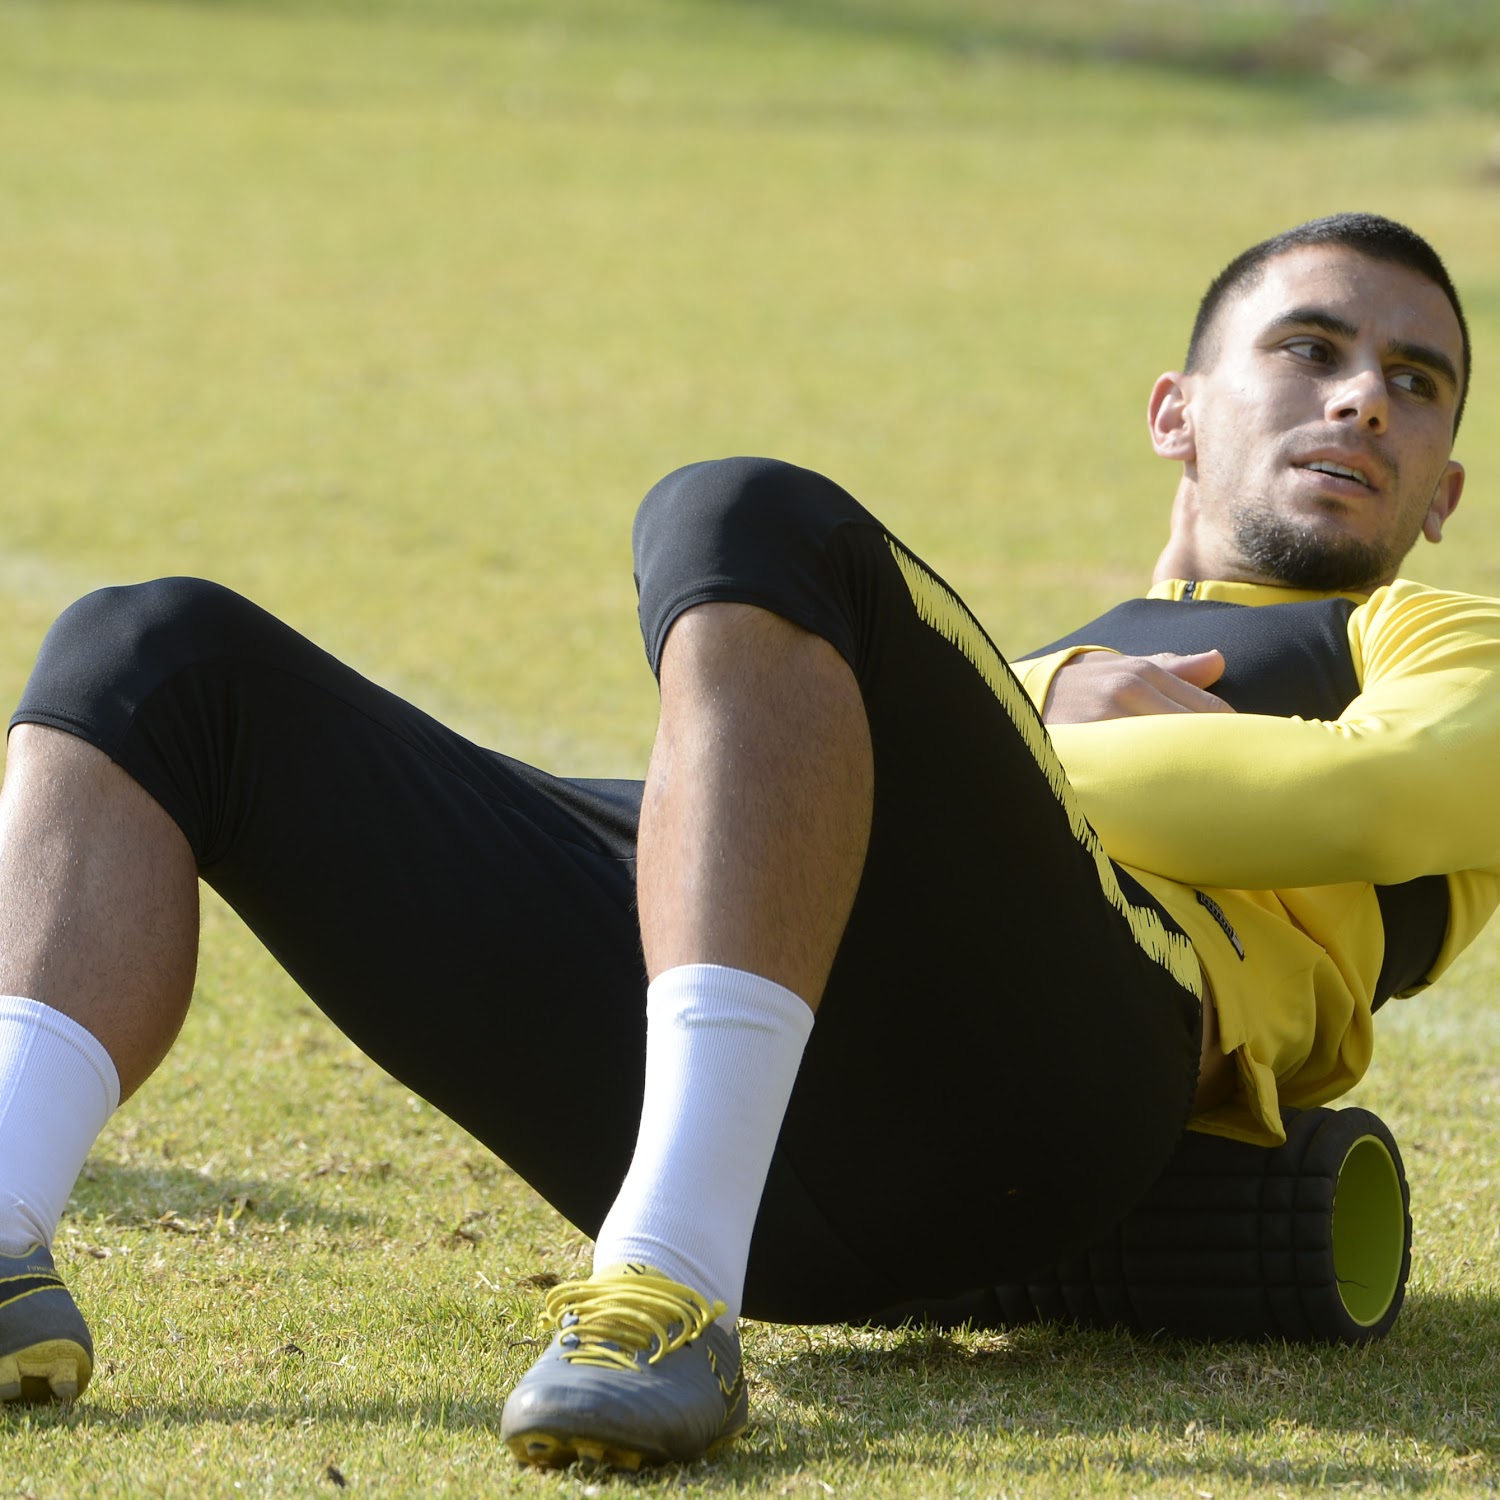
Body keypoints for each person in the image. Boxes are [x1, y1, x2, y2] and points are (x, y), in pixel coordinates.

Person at [0, 211, 1492, 1470]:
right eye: (1311, 349)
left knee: (749, 511)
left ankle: (661, 1288)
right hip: (777, 1135)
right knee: (156, 656)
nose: (1362, 399)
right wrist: (1037, 700)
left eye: (1415, 385)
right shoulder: (1008, 681)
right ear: (1178, 410)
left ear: (1446, 496)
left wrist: (1041, 729)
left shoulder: (1421, 631)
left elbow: (1383, 792)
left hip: (1057, 1080)